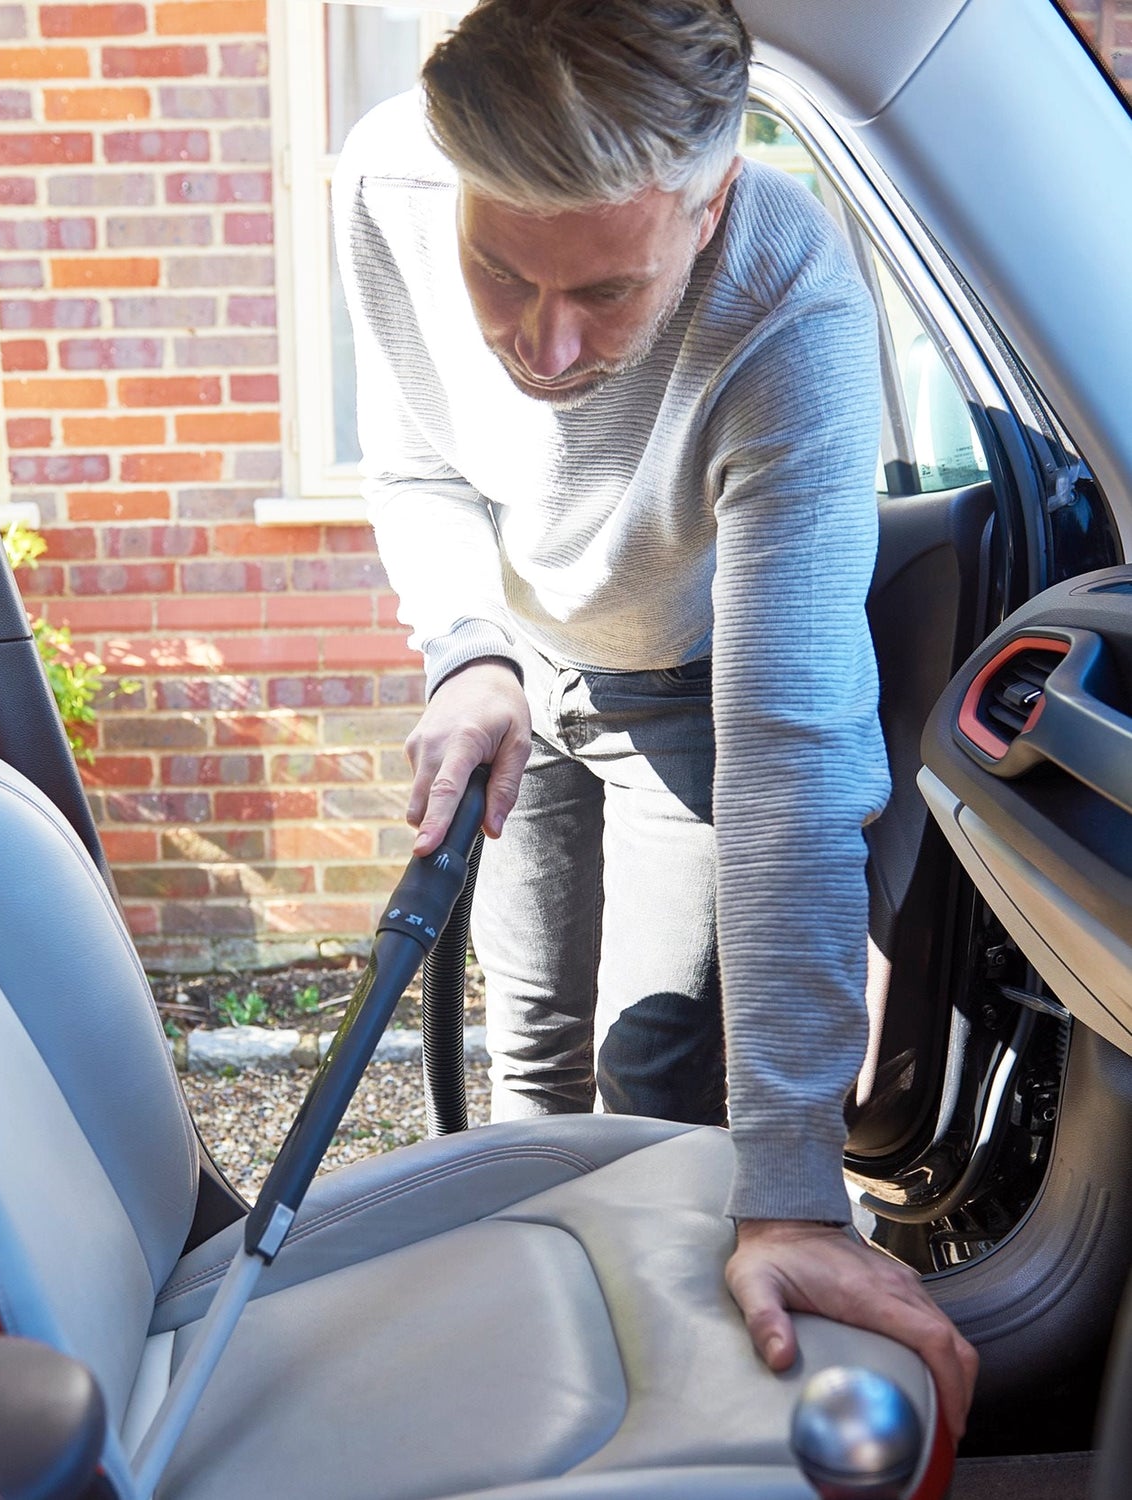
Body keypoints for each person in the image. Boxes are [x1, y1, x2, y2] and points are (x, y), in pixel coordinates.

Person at [334, 0, 978, 1437]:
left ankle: (670, 1402)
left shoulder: (792, 302)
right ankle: (528, 1375)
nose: (546, 346)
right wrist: (467, 650)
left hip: (689, 686)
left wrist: (795, 1193)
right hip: (515, 659)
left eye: (607, 292)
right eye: (501, 272)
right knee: (531, 1048)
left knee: (657, 1065)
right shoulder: (389, 176)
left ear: (714, 201)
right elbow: (420, 465)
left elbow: (792, 747)